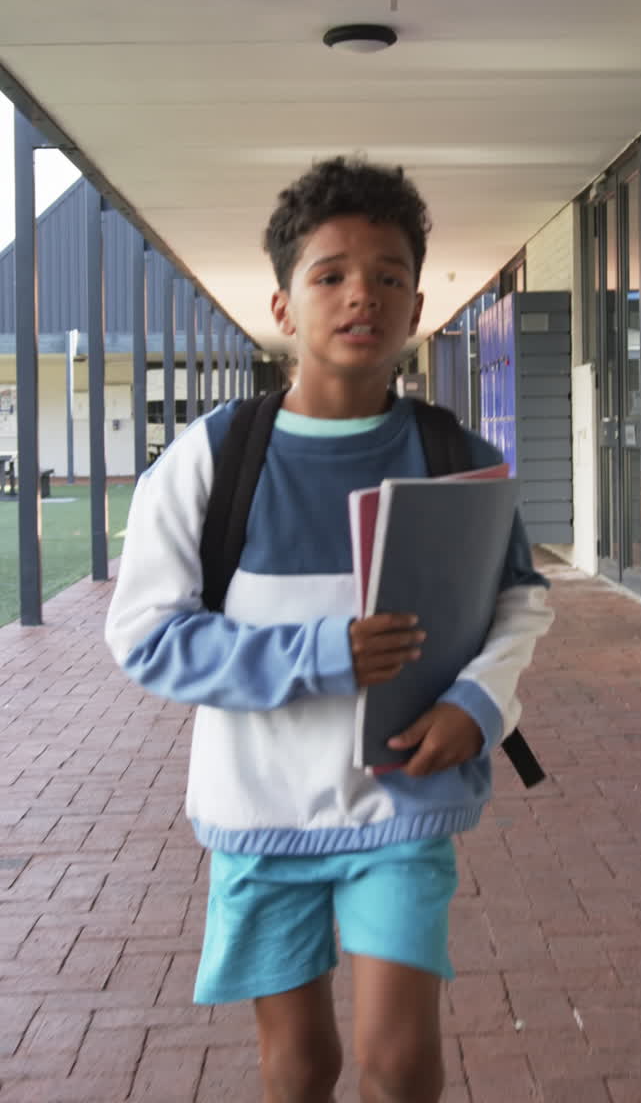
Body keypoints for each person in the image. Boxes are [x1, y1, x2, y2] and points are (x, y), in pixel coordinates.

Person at [105, 156, 553, 1103]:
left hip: (400, 808)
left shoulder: (455, 455)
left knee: (398, 1064)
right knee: (300, 1065)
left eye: (389, 275)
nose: (363, 295)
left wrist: (479, 705)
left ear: (417, 303)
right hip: (258, 812)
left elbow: (520, 599)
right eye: (331, 274)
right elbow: (145, 634)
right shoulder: (211, 460)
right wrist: (320, 656)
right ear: (282, 304)